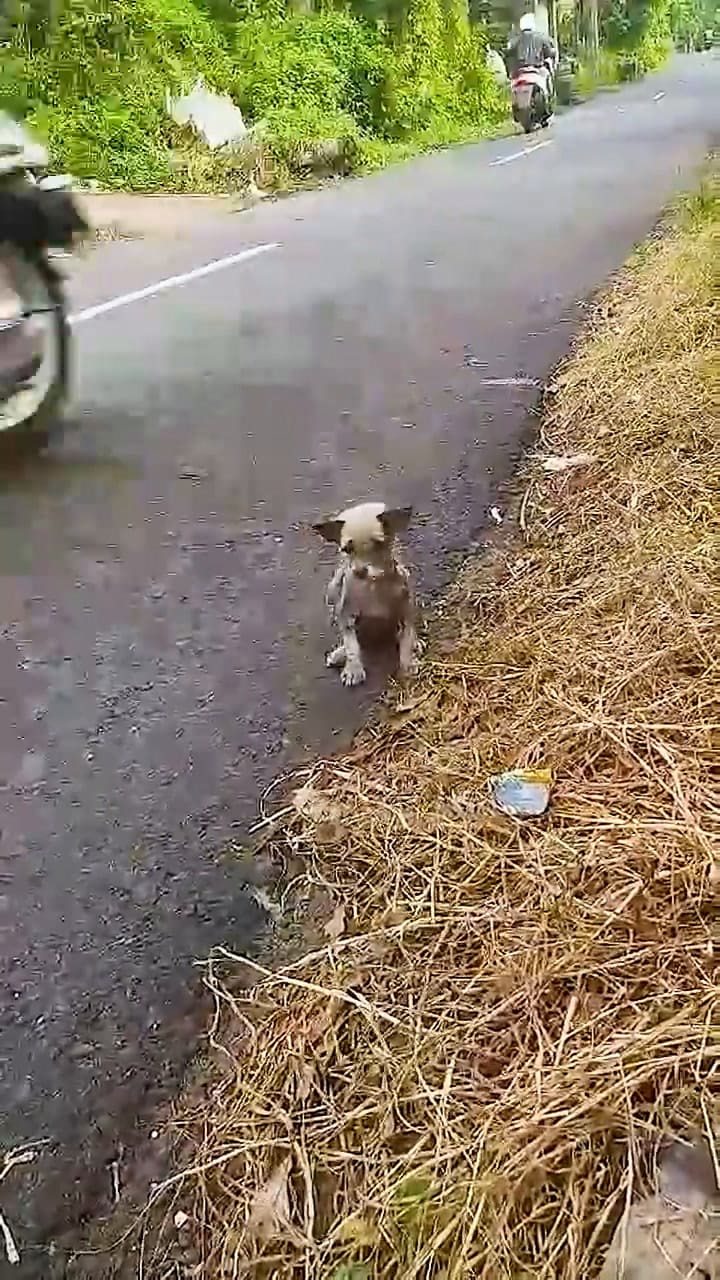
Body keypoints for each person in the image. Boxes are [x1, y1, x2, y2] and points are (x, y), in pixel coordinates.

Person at [505, 12, 558, 107]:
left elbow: (508, 53)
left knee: (511, 86)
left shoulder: (515, 40)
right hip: (537, 68)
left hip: (520, 70)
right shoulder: (542, 37)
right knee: (548, 79)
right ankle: (549, 101)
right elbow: (550, 52)